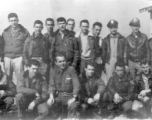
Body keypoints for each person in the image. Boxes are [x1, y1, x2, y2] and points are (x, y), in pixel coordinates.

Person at [47, 52, 80, 119]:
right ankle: (57, 117)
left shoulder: (71, 70)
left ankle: (70, 117)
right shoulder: (53, 70)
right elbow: (51, 85)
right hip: (59, 96)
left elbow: (77, 85)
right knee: (49, 103)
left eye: (64, 61)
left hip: (70, 95)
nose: (63, 63)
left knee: (74, 106)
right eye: (60, 61)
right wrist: (51, 96)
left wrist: (74, 97)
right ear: (56, 62)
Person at [1, 13, 30, 85]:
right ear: (9, 21)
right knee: (7, 77)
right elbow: (1, 45)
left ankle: (19, 92)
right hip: (7, 57)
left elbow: (28, 46)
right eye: (11, 21)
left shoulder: (24, 31)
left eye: (15, 20)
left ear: (18, 20)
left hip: (19, 57)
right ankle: (8, 93)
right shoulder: (5, 32)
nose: (13, 22)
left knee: (20, 77)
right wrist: (2, 57)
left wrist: (25, 58)